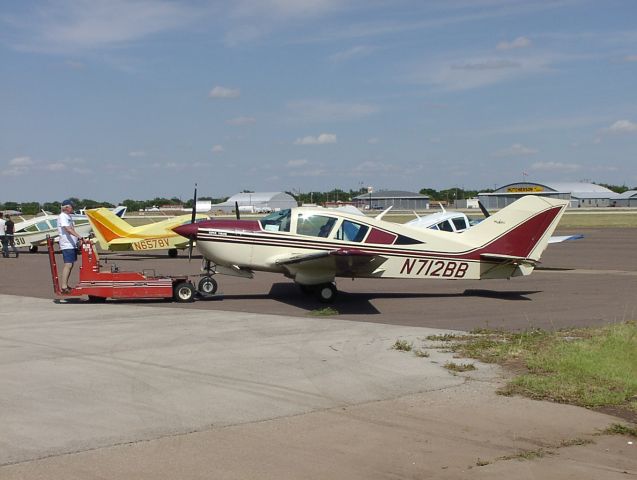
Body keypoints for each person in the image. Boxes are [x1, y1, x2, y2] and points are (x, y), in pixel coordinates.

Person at [58, 199, 83, 293]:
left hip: (71, 244)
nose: (73, 208)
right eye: (72, 207)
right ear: (66, 207)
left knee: (71, 264)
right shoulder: (63, 216)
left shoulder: (68, 216)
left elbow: (72, 229)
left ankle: (65, 285)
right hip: (67, 244)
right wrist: (79, 237)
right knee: (68, 264)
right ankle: (64, 286)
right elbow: (68, 229)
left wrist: (78, 239)